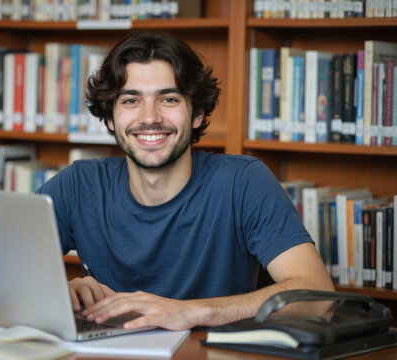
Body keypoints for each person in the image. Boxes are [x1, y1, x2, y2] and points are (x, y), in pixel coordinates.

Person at [35, 31, 334, 331]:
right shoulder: (78, 186)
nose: (149, 117)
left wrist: (190, 312)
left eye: (168, 99)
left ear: (197, 114)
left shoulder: (243, 182)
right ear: (111, 118)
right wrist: (56, 293)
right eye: (131, 100)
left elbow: (319, 297)